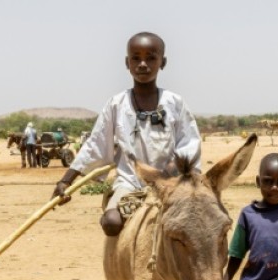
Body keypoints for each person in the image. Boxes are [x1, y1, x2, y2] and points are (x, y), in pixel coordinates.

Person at [50, 32, 202, 236]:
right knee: (111, 222)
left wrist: (170, 171)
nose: (142, 64)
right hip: (130, 183)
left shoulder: (174, 103)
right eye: (136, 58)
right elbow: (96, 144)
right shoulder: (116, 104)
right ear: (127, 62)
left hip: (171, 182)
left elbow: (189, 143)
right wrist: (65, 181)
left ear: (162, 62)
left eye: (151, 58)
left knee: (196, 224)